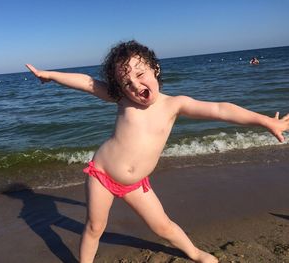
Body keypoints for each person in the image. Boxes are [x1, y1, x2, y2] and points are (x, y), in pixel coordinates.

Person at [26, 40, 289, 263]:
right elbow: (86, 82)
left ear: (155, 69)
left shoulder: (175, 105)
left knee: (162, 225)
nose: (133, 85)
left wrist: (265, 121)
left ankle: (195, 254)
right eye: (125, 82)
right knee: (95, 227)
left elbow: (221, 109)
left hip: (136, 183)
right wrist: (50, 75)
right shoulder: (122, 100)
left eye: (139, 75)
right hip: (102, 173)